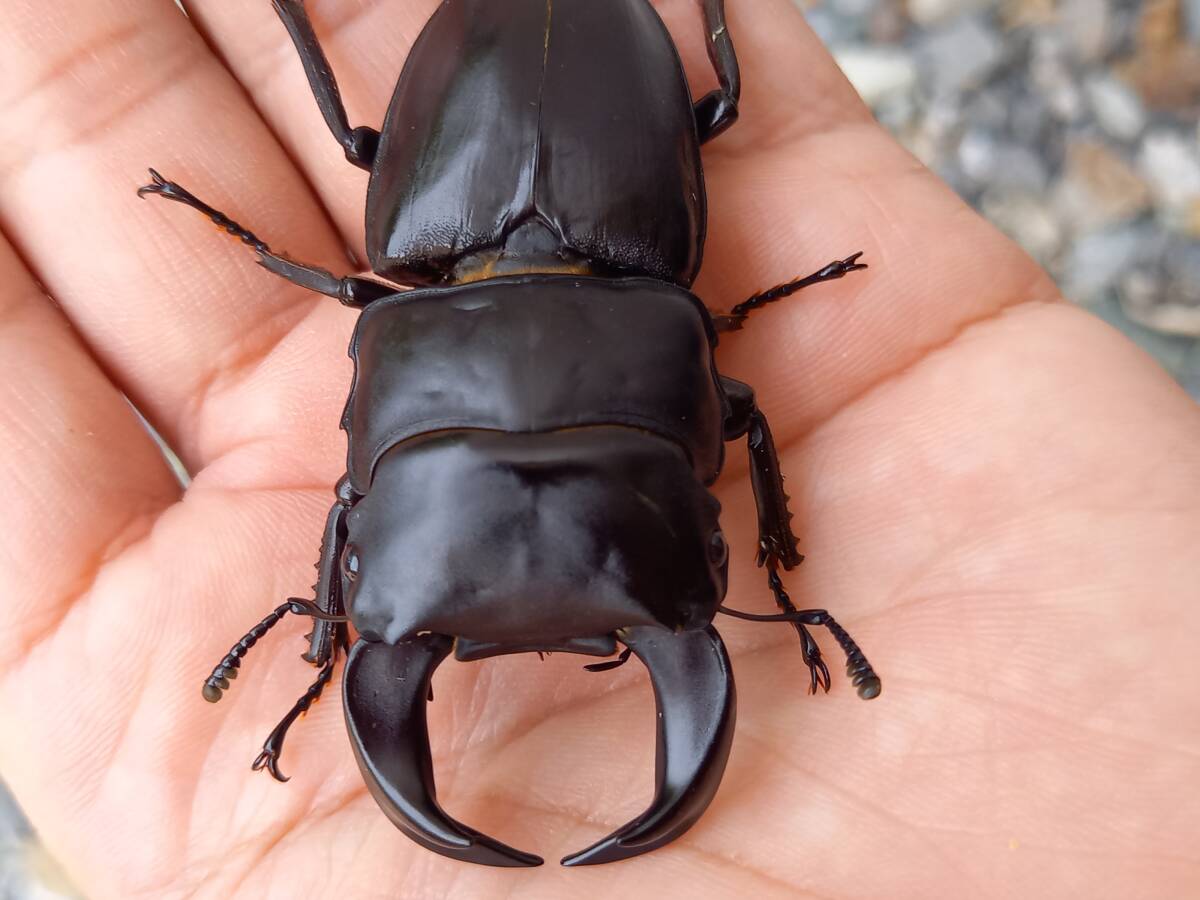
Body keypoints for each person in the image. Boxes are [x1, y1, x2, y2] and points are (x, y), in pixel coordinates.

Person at [1, 0, 1197, 895]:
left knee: (386, 159)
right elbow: (352, 501)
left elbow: (349, 504)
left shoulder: (402, 291)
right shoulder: (577, 306)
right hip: (600, 179)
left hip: (523, 192)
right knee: (714, 119)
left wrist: (332, 634)